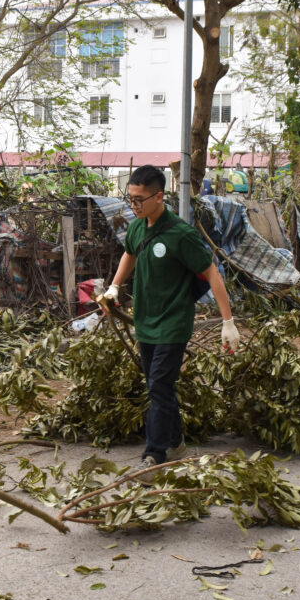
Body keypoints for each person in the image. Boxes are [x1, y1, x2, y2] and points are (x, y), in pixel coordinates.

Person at [102, 165, 240, 484]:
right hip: (146, 323)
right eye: (130, 199)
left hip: (174, 323)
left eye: (139, 200)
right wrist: (114, 286)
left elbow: (212, 273)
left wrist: (228, 321)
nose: (133, 205)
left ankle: (154, 456)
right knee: (158, 386)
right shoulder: (138, 227)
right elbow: (129, 254)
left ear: (159, 196)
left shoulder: (181, 234)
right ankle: (176, 443)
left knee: (159, 386)